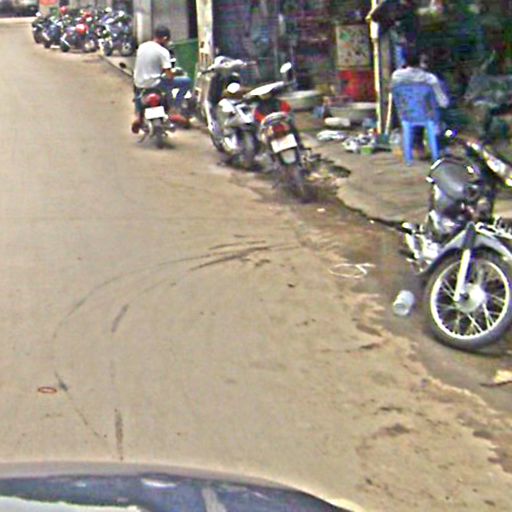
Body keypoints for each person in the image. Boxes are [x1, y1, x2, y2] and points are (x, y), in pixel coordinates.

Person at [131, 25, 192, 133]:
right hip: (156, 84)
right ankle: (174, 108)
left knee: (137, 93)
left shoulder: (142, 47)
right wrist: (173, 74)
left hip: (139, 83)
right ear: (164, 38)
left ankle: (138, 115)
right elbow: (169, 75)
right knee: (186, 82)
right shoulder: (163, 52)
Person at [391, 50, 449, 158]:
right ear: (421, 61)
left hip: (406, 114)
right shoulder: (430, 78)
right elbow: (443, 102)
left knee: (418, 110)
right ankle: (441, 147)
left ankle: (418, 147)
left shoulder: (396, 76)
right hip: (428, 115)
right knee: (438, 111)